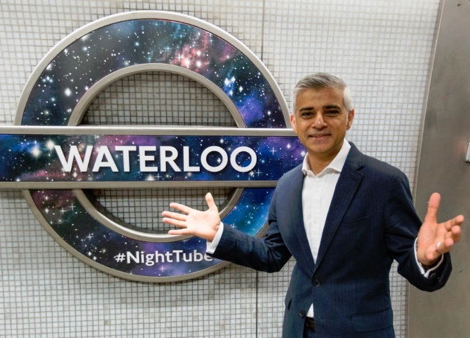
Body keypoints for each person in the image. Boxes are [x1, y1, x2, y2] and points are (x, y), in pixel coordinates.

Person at [162, 73, 464, 337]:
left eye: (330, 111)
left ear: (349, 117)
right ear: (295, 122)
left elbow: (414, 266)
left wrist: (426, 259)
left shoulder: (384, 182)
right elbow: (272, 255)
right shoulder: (287, 185)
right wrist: (219, 234)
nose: (318, 122)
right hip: (298, 330)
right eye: (308, 113)